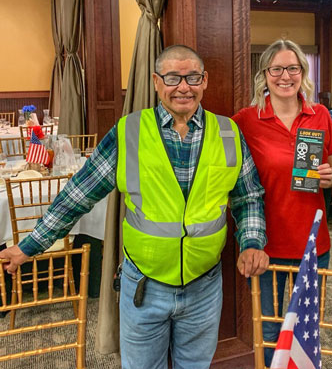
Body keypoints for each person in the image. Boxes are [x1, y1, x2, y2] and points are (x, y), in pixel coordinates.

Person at [0, 45, 269, 369]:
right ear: (157, 82)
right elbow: (77, 195)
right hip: (144, 288)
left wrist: (252, 242)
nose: (183, 86)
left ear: (205, 81)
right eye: (172, 77)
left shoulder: (228, 132)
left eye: (192, 77)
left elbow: (248, 196)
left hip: (204, 288)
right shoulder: (129, 132)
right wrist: (28, 246)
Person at [233, 39, 332, 366]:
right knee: (269, 336)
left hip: (312, 243)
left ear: (303, 73)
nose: (285, 76)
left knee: (305, 335)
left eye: (293, 68)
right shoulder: (245, 120)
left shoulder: (319, 114)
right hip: (266, 245)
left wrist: (331, 175)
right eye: (276, 69)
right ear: (264, 75)